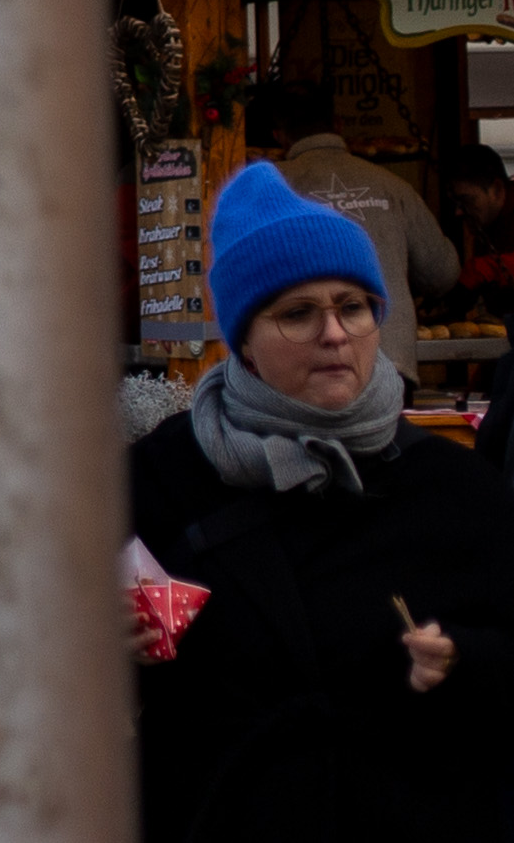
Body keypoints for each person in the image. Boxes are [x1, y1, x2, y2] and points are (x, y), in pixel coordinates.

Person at [129, 158, 514, 835]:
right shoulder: (161, 477)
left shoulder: (454, 487)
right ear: (244, 341)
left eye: (352, 307)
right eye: (297, 313)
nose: (334, 333)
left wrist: (465, 657)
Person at [250, 83, 463, 372]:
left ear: (279, 137)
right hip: (389, 362)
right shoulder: (393, 186)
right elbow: (442, 273)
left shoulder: (267, 190)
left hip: (309, 367)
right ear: (338, 125)